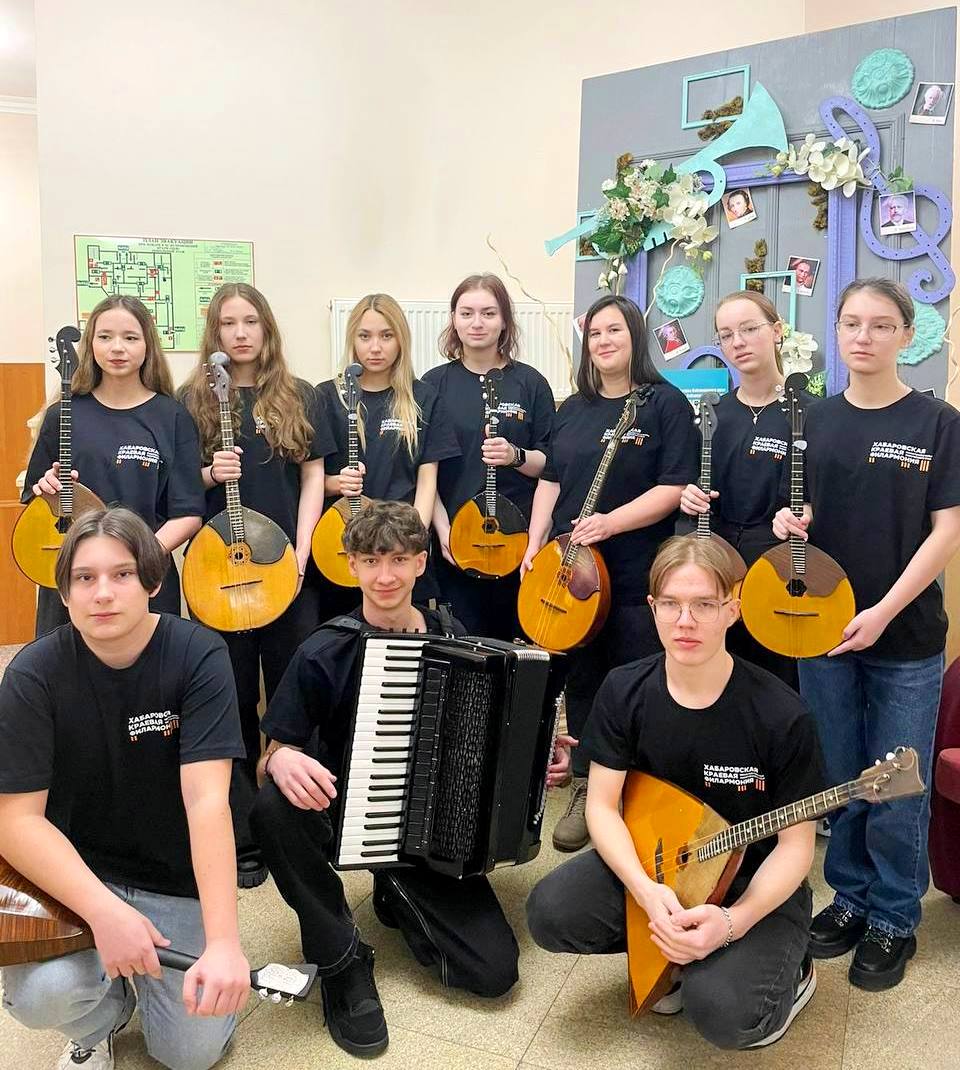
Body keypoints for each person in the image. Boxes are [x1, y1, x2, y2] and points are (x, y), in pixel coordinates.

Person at [248, 501, 572, 1058]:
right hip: (342, 808)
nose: (386, 576)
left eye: (399, 559)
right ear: (351, 564)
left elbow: (489, 740)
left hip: (431, 828)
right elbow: (269, 754)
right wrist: (278, 759)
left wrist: (536, 758)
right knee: (273, 806)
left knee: (493, 973)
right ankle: (340, 958)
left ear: (421, 563)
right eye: (372, 560)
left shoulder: (455, 637)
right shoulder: (324, 650)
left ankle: (394, 893)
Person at [526, 536, 826, 1051]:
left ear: (732, 609)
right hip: (661, 864)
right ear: (652, 608)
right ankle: (674, 951)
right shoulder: (624, 689)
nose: (685, 621)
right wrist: (646, 892)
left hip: (751, 880)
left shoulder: (782, 714)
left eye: (704, 605)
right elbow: (602, 807)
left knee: (725, 1014)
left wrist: (732, 923)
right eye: (671, 604)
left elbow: (796, 848)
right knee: (550, 912)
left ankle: (791, 970)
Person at [0, 507, 249, 1070]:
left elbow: (207, 803)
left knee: (189, 1055)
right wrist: (105, 912)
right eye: (84, 578)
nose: (103, 593)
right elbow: (15, 820)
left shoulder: (199, 655)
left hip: (174, 878)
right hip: (75, 878)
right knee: (38, 997)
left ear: (153, 582)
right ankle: (106, 1017)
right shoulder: (33, 674)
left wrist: (224, 943)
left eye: (122, 574)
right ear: (65, 593)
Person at [773, 277, 960, 991]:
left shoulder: (938, 423)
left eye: (882, 325)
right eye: (852, 322)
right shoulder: (815, 420)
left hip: (904, 637)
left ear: (906, 336)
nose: (864, 336)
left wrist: (881, 610)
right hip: (822, 631)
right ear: (838, 330)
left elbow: (947, 531)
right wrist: (789, 522)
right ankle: (849, 898)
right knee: (841, 776)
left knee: (896, 784)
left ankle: (893, 917)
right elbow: (802, 514)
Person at [521, 293, 698, 852]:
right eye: (595, 332)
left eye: (614, 330)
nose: (603, 341)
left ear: (635, 337)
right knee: (583, 682)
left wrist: (609, 524)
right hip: (569, 572)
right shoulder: (573, 408)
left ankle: (640, 793)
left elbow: (674, 487)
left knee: (637, 683)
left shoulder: (664, 404)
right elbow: (551, 478)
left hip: (634, 571)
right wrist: (534, 542)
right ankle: (587, 787)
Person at [180, 282, 334, 888]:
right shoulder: (192, 399)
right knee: (233, 695)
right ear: (214, 333)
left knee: (297, 691)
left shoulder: (298, 394)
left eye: (250, 322)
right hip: (219, 575)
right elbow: (177, 487)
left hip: (285, 569)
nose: (240, 333)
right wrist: (206, 473)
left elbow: (314, 475)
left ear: (267, 328)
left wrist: (302, 550)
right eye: (228, 323)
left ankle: (302, 819)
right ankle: (244, 833)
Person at [24, 295, 205, 638]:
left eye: (130, 337)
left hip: (145, 574)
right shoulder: (62, 414)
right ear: (90, 344)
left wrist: (135, 563)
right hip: (75, 577)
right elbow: (33, 499)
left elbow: (188, 513)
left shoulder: (172, 417)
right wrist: (46, 489)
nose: (117, 347)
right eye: (105, 337)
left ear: (148, 345)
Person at [679, 289, 811, 687]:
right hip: (717, 569)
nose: (738, 342)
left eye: (749, 329)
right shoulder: (712, 414)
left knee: (777, 683)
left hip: (779, 573)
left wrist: (806, 512)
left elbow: (823, 496)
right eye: (726, 334)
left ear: (777, 331)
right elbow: (691, 485)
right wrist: (688, 497)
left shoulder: (810, 412)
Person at [423, 273, 555, 640]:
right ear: (454, 319)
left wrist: (515, 455)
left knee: (517, 648)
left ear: (504, 321)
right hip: (456, 542)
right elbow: (425, 470)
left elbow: (551, 467)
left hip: (519, 543)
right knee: (464, 647)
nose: (477, 323)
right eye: (466, 313)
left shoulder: (531, 383)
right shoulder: (432, 385)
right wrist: (443, 531)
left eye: (488, 313)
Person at [315, 293, 460, 615]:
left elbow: (427, 482)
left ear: (400, 340)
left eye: (386, 336)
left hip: (401, 549)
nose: (375, 347)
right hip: (340, 549)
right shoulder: (326, 396)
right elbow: (308, 483)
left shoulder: (423, 398)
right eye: (365, 336)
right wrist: (336, 483)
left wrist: (411, 540)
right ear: (352, 340)